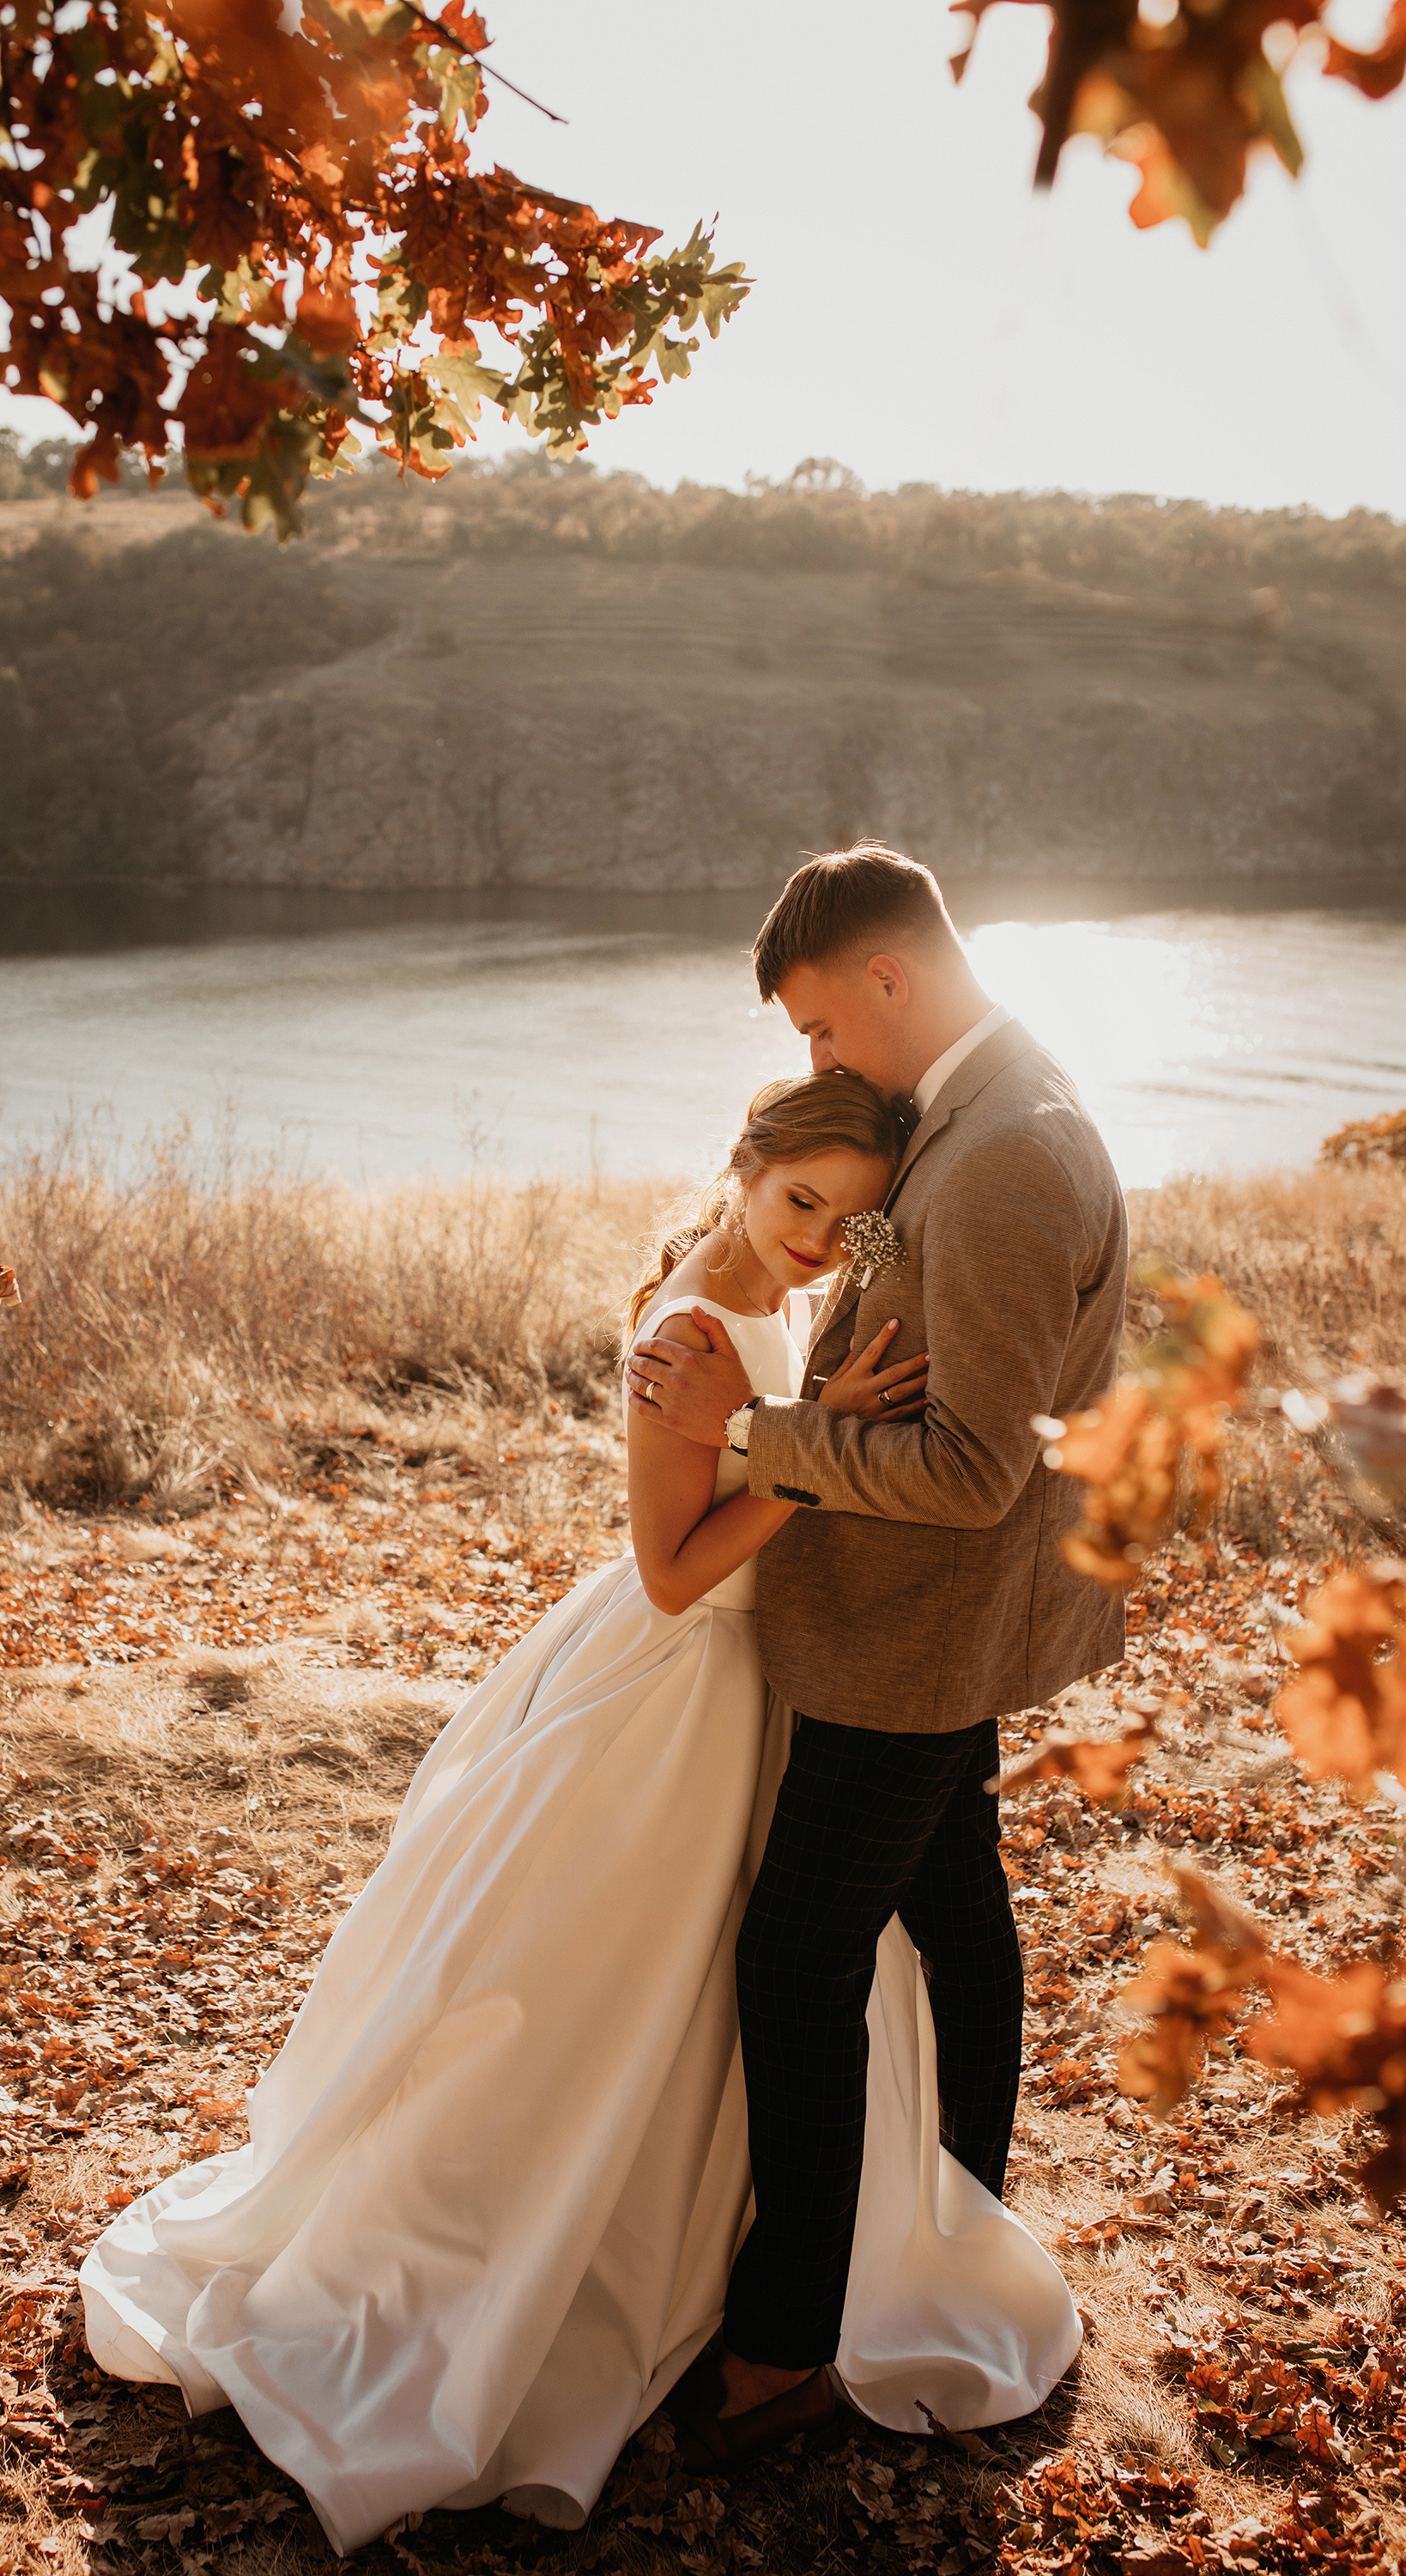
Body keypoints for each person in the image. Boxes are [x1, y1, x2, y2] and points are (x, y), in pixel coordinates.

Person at [78, 1065, 1081, 2556]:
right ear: (745, 1165)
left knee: (738, 1996)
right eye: (800, 1201)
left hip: (778, 1679)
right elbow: (675, 1572)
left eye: (851, 1221)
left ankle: (719, 2261)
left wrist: (828, 1408)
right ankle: (534, 2268)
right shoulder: (692, 1330)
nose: (820, 1239)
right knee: (603, 1986)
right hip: (684, 1684)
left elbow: (824, 1388)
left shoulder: (794, 1295)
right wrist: (817, 1447)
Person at [626, 843, 1127, 2471]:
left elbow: (975, 1471)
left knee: (795, 1963)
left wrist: (759, 1432)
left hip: (914, 1640)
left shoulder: (1004, 1156)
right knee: (961, 1919)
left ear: (889, 978)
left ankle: (782, 2347)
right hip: (912, 1627)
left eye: (824, 1030)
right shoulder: (969, 1118)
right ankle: (963, 2234)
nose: (818, 1061)